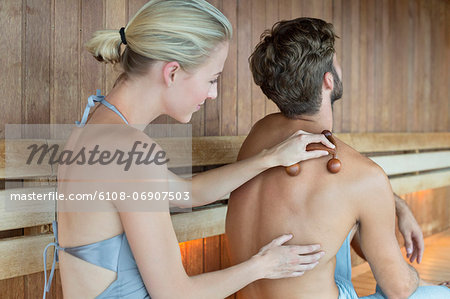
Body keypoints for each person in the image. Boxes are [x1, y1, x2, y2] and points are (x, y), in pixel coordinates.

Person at [41, 2, 340, 299]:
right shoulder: (130, 152)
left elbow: (187, 193)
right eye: (212, 79)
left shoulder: (94, 127)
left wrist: (270, 158)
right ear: (172, 72)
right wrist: (263, 265)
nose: (213, 93)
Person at [226, 17, 450, 298]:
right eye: (336, 61)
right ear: (328, 80)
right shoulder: (363, 176)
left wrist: (398, 206)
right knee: (424, 290)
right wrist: (425, 285)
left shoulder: (258, 134)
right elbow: (399, 290)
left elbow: (333, 198)